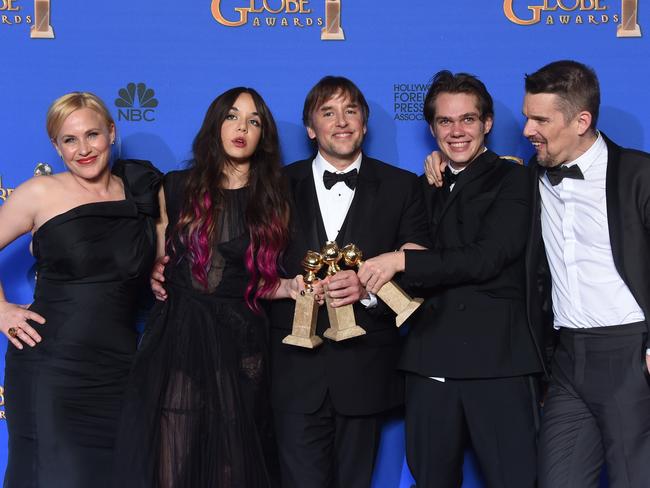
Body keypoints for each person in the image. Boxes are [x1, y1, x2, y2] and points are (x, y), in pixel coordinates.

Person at [359, 71, 544, 487]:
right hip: (429, 362)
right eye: (445, 121)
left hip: (498, 364)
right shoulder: (423, 186)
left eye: (468, 120)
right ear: (431, 128)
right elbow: (419, 265)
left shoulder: (515, 180)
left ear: (488, 124)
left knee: (515, 479)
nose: (456, 131)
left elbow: (486, 258)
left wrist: (402, 261)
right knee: (430, 479)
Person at [114, 87, 302, 487]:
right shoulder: (177, 186)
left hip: (241, 336)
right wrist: (154, 271)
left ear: (263, 135)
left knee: (235, 459)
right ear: (215, 125)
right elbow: (163, 262)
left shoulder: (275, 195)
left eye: (254, 121)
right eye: (232, 116)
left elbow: (254, 279)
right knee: (173, 451)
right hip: (179, 334)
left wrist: (288, 287)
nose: (242, 128)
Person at [269, 76, 429, 488]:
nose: (342, 122)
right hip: (293, 374)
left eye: (351, 111)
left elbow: (422, 270)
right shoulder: (274, 186)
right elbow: (250, 266)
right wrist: (287, 286)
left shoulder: (402, 186)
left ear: (365, 122)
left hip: (365, 372)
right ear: (310, 128)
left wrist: (370, 290)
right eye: (328, 113)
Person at [0, 92, 162, 487]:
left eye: (93, 134)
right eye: (70, 140)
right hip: (52, 369)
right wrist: (0, 309)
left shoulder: (141, 193)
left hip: (121, 370)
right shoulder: (39, 193)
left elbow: (159, 260)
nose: (84, 149)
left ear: (112, 132)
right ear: (56, 146)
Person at [521, 60, 650, 488]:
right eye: (526, 117)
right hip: (566, 359)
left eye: (540, 119)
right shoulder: (531, 176)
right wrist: (440, 164)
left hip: (629, 354)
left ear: (581, 121)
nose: (527, 130)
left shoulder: (639, 174)